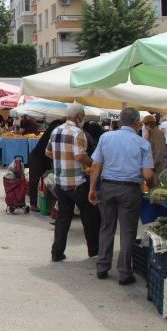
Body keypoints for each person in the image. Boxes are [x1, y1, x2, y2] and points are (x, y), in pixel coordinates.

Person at [88, 107, 155, 286]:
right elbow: (148, 175)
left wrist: (92, 188)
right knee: (128, 232)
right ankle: (124, 273)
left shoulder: (106, 137)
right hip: (130, 191)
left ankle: (102, 267)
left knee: (106, 227)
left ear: (119, 121)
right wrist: (154, 186)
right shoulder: (143, 143)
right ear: (137, 123)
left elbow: (95, 165)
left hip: (108, 187)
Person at [47, 104, 101, 262]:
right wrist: (92, 163)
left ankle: (57, 252)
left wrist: (61, 159)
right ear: (78, 117)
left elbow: (48, 152)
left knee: (63, 217)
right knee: (89, 215)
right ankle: (94, 250)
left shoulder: (56, 130)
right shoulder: (78, 133)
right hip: (76, 182)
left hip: (60, 181)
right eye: (82, 116)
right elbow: (79, 156)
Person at [28, 119, 64, 212]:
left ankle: (50, 204)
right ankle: (33, 204)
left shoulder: (57, 129)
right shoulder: (54, 130)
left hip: (47, 159)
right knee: (34, 181)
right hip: (37, 158)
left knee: (50, 180)